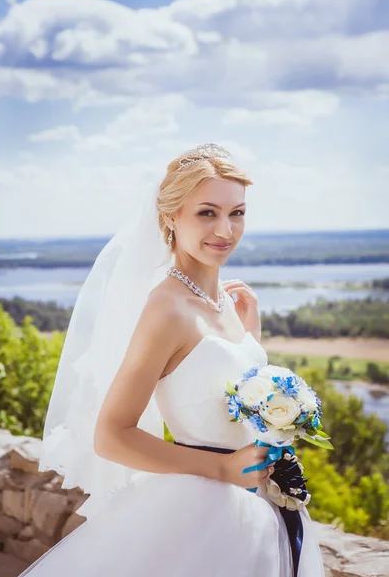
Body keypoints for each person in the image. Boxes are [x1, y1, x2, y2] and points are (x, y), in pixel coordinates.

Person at [18, 143, 325, 577]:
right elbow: (110, 435)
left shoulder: (225, 301)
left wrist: (250, 336)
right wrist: (220, 467)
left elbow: (221, 397)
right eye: (206, 213)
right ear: (170, 218)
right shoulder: (166, 308)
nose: (226, 229)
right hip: (202, 511)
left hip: (257, 505)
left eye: (237, 212)